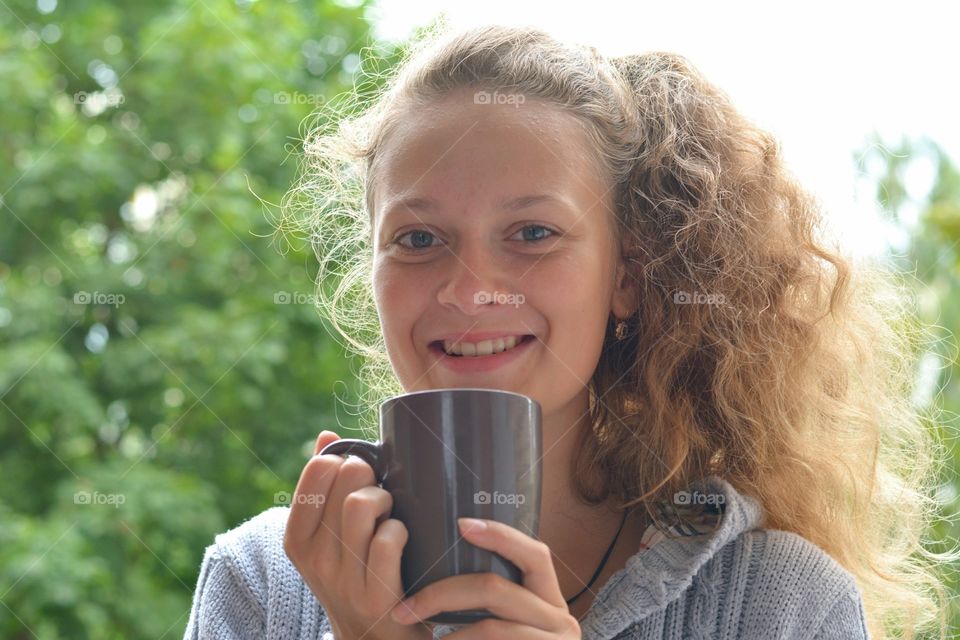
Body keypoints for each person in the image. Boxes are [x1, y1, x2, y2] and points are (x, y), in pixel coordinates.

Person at [183, 22, 955, 640]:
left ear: (625, 275)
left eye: (532, 233)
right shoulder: (261, 583)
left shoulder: (781, 606)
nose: (471, 289)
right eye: (418, 239)